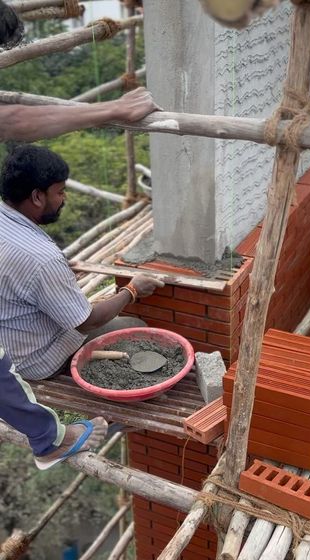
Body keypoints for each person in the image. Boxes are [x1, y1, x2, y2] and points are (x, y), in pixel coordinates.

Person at [0, 0, 162, 468]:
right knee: (133, 332)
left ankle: (47, 433)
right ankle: (79, 426)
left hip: (15, 327)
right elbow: (86, 321)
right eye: (59, 193)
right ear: (36, 197)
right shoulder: (37, 255)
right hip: (32, 355)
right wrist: (133, 290)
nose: (64, 200)